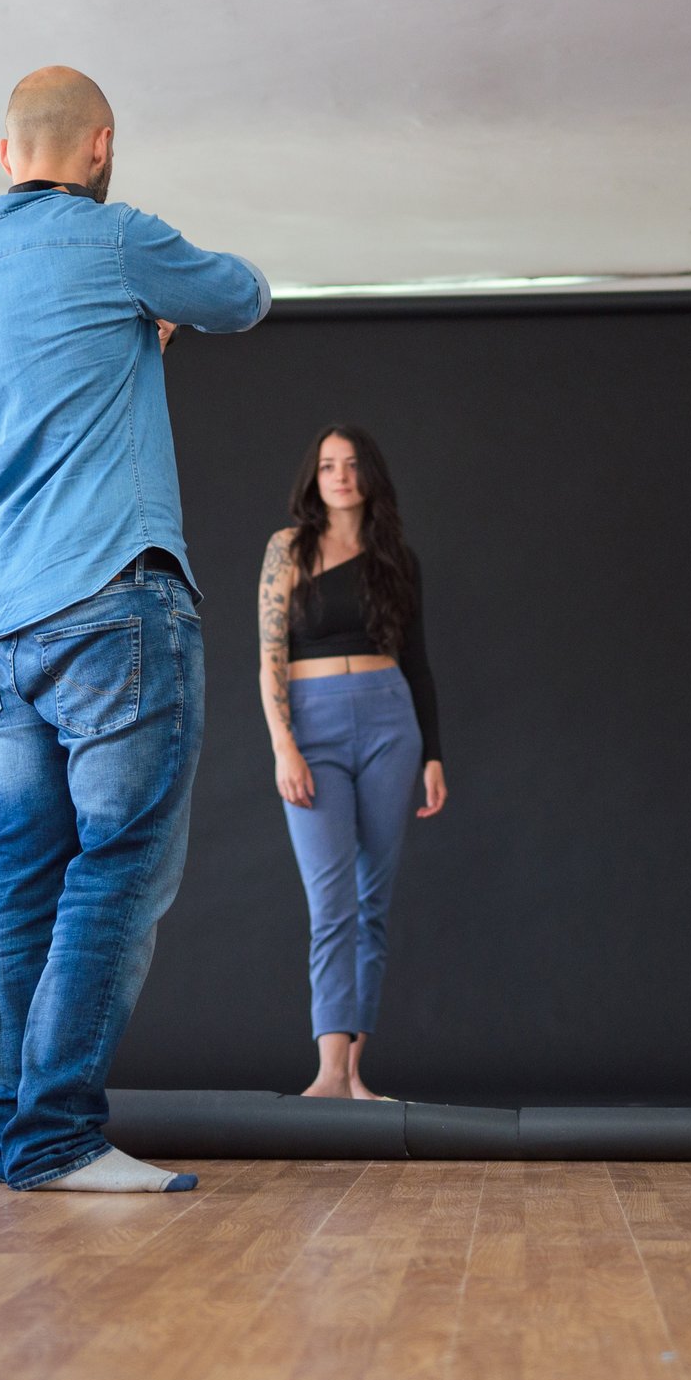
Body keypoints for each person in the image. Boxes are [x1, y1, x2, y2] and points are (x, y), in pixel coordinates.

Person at [0, 66, 270, 1192]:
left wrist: (130, 348)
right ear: (100, 145)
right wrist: (156, 310)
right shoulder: (110, 237)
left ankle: (18, 1136)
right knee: (117, 862)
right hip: (109, 604)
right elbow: (243, 295)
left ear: (5, 148)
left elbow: (20, 425)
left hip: (1, 626)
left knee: (22, 860)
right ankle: (59, 1137)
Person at [257, 425, 447, 1101]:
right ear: (314, 476)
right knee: (331, 900)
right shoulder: (289, 549)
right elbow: (269, 654)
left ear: (370, 475)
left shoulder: (397, 557)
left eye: (351, 464)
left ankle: (355, 1075)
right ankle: (328, 1073)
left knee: (372, 900)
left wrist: (432, 752)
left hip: (391, 720)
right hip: (313, 721)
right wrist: (284, 742)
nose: (339, 475)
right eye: (328, 465)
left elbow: (418, 662)